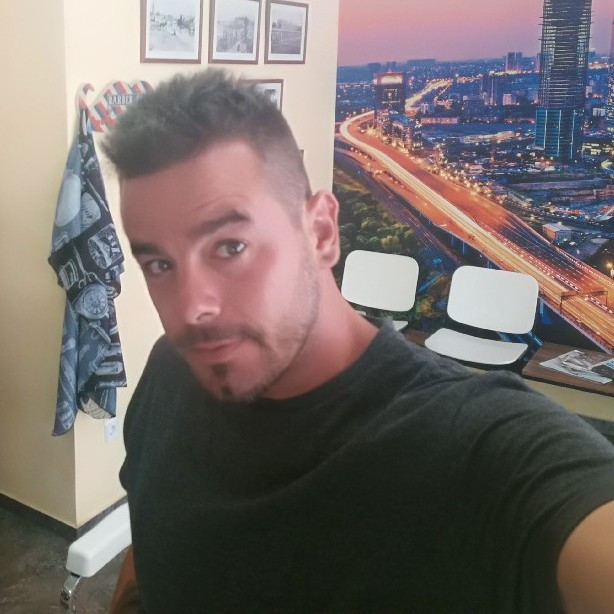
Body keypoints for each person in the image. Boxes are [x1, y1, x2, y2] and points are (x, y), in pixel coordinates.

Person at [103, 68, 614, 613]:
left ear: (321, 232)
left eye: (230, 247)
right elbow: (154, 538)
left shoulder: (481, 447)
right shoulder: (170, 370)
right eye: (159, 264)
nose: (192, 307)